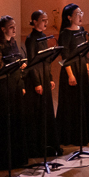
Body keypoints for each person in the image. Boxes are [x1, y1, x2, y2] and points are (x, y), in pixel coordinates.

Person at [0, 15, 28, 170]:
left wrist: (22, 75)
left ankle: (17, 156)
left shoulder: (13, 43)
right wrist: (18, 66)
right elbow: (1, 69)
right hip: (5, 87)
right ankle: (4, 158)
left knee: (17, 119)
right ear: (3, 29)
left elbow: (18, 61)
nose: (14, 29)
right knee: (6, 120)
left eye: (14, 26)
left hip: (16, 85)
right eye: (11, 27)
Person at [22, 10, 59, 161]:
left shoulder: (43, 36)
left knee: (46, 111)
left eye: (46, 20)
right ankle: (37, 146)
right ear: (35, 21)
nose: (46, 23)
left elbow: (46, 61)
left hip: (44, 77)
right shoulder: (31, 39)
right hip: (35, 80)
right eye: (43, 20)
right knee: (37, 113)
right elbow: (32, 62)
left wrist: (49, 78)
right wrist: (37, 83)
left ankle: (47, 144)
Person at [57, 3, 89, 146]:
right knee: (72, 103)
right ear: (69, 17)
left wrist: (88, 69)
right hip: (71, 71)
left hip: (82, 69)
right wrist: (70, 75)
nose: (80, 16)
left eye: (81, 13)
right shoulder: (65, 34)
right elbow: (65, 55)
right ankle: (71, 137)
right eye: (77, 14)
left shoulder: (82, 30)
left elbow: (85, 53)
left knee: (83, 101)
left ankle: (84, 134)